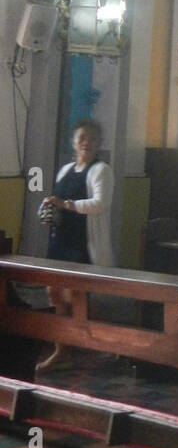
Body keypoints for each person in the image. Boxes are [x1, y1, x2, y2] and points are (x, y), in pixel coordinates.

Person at [36, 118, 115, 372]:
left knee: (78, 299)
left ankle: (99, 344)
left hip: (83, 244)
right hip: (60, 242)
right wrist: (47, 213)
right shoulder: (64, 170)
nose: (86, 143)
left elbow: (100, 204)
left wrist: (67, 205)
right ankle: (63, 350)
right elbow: (53, 202)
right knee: (55, 294)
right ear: (74, 141)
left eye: (92, 138)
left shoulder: (101, 170)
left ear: (99, 143)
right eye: (82, 138)